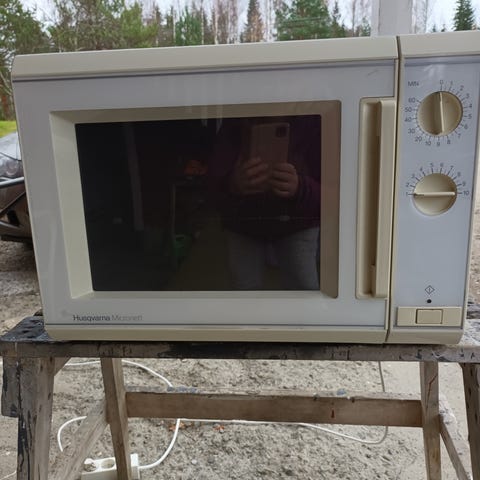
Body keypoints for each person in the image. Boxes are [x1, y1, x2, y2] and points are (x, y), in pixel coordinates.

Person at [209, 115, 321, 290]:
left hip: (291, 221)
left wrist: (300, 187)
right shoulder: (235, 120)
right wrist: (233, 183)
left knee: (301, 289)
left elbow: (333, 190)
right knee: (298, 291)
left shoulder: (315, 120)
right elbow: (214, 182)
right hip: (247, 222)